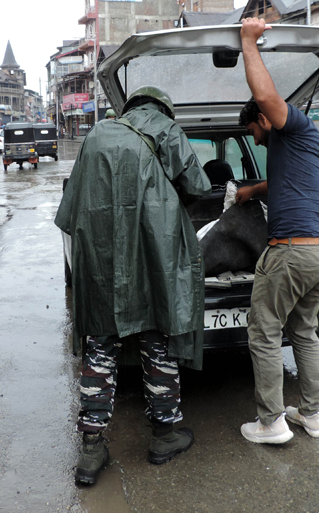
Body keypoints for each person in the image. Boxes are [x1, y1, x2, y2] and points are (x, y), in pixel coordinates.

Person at [55, 86, 211, 486]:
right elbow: (198, 186)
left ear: (128, 108)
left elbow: (70, 210)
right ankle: (164, 435)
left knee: (99, 349)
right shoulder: (166, 129)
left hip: (102, 262)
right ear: (163, 109)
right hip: (152, 260)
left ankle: (91, 449)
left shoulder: (97, 134)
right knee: (157, 343)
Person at [236, 18, 319, 444]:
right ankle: (312, 416)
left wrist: (248, 41)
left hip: (292, 254)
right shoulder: (303, 146)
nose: (257, 142)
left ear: (265, 119)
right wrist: (250, 192)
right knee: (304, 331)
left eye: (254, 133)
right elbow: (281, 183)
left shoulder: (290, 124)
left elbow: (264, 95)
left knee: (264, 332)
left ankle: (271, 423)